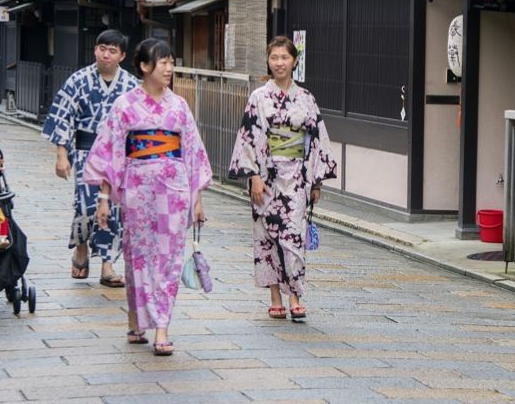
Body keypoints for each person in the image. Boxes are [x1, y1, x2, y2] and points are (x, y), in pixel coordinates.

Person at [85, 38, 211, 356]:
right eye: (163, 62)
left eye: (171, 62)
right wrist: (103, 197)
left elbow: (193, 152)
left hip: (175, 191)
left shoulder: (179, 106)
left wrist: (197, 198)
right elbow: (111, 151)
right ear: (144, 66)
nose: (169, 68)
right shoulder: (125, 105)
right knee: (137, 256)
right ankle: (135, 319)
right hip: (137, 189)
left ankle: (162, 327)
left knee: (169, 258)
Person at [228, 36, 337, 321]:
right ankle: (275, 297)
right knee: (267, 237)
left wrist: (316, 182)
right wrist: (253, 175)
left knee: (293, 237)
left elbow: (317, 139)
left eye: (285, 57)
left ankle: (295, 297)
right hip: (266, 177)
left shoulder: (306, 98)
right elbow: (248, 137)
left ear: (294, 61)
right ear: (268, 61)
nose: (279, 63)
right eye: (274, 57)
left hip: (297, 177)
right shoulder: (258, 97)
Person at [42, 29, 138, 286]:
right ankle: (81, 246)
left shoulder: (131, 86)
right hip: (87, 152)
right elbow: (62, 117)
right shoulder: (78, 80)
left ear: (122, 56)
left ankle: (107, 264)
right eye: (102, 49)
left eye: (112, 51)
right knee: (85, 205)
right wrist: (62, 154)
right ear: (95, 50)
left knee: (114, 209)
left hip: (118, 157)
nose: (106, 55)